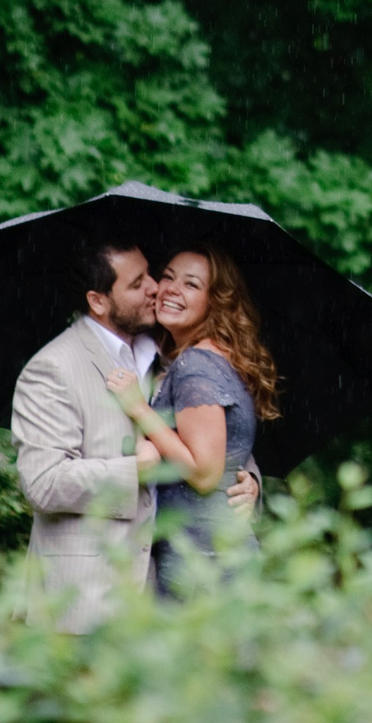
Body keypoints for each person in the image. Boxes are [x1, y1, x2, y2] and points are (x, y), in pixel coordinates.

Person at [10, 240, 261, 628]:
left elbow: (214, 439)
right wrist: (133, 470)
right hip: (85, 600)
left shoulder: (170, 357)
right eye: (139, 282)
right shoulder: (54, 368)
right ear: (98, 301)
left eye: (150, 274)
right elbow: (42, 482)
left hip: (163, 589)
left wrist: (250, 483)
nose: (155, 289)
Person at [105, 244, 278, 593]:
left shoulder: (195, 365)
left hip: (202, 563)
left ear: (215, 302)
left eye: (191, 284)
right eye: (167, 277)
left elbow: (204, 473)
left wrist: (139, 408)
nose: (171, 289)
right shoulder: (212, 358)